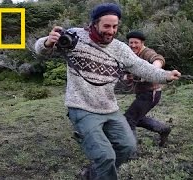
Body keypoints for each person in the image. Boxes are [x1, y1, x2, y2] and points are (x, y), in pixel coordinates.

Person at [34, 3, 181, 180]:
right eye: (106, 26)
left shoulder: (120, 48)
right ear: (95, 23)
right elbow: (40, 49)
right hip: (81, 107)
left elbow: (142, 67)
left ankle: (92, 175)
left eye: (115, 26)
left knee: (128, 147)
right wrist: (47, 43)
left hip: (109, 108)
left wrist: (166, 75)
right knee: (105, 156)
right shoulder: (75, 36)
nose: (111, 31)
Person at [124, 31, 171, 147]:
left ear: (142, 43)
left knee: (129, 119)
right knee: (137, 118)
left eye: (136, 43)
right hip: (142, 93)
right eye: (131, 43)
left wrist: (153, 71)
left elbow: (158, 59)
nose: (133, 45)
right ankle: (163, 129)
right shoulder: (132, 55)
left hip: (151, 93)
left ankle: (131, 150)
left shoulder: (146, 52)